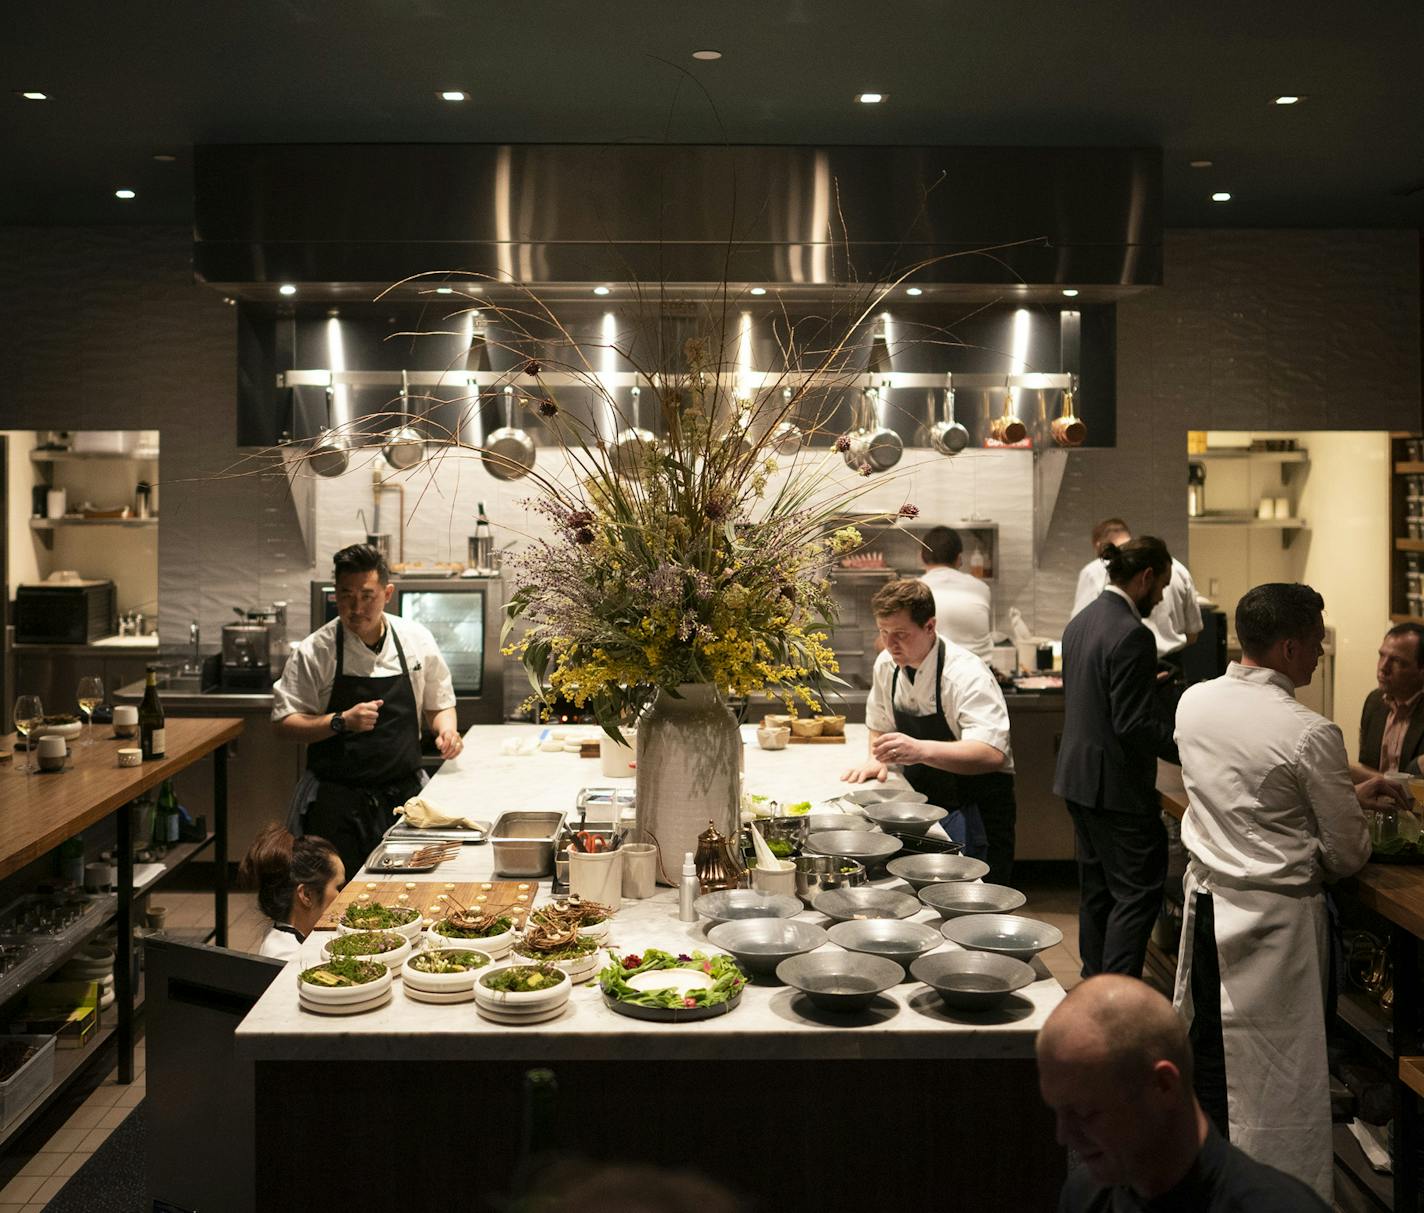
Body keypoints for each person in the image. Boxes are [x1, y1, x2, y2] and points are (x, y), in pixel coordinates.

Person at [1172, 582, 1406, 1202]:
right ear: (1287, 646)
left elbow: (1245, 796)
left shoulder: (1193, 702)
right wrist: (1343, 810)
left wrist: (1339, 797)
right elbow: (1346, 852)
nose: (1321, 653)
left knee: (1213, 1062)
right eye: (1316, 642)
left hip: (1209, 903)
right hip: (1276, 927)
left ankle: (1205, 1181)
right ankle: (1272, 1196)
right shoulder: (1309, 731)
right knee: (1279, 1081)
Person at [1037, 974, 1329, 1212]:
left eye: (1086, 1113)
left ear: (1163, 1086)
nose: (1064, 1136)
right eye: (1058, 1112)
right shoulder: (1083, 1195)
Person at [273, 543, 460, 882]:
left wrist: (446, 730)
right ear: (335, 594)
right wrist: (339, 721)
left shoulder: (416, 639)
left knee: (408, 888)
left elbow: (439, 702)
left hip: (405, 799)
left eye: (367, 596)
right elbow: (285, 723)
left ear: (387, 593)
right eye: (346, 596)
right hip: (335, 802)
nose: (356, 607)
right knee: (334, 897)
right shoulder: (317, 650)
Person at [1054, 536, 1179, 978]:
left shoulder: (1081, 622)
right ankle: (1119, 994)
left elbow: (1101, 699)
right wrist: (1189, 747)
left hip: (1077, 779)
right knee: (1138, 891)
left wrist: (1149, 685)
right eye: (1162, 585)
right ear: (1146, 577)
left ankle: (1093, 982)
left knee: (1097, 891)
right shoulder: (1133, 633)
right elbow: (1132, 724)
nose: (1161, 596)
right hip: (1117, 787)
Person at [841, 578, 1017, 885]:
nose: (890, 644)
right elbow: (880, 723)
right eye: (883, 633)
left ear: (930, 627)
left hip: (977, 808)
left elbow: (991, 753)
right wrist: (877, 757)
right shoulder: (887, 665)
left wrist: (920, 750)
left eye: (901, 635)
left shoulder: (965, 674)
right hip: (925, 809)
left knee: (977, 899)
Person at [1071, 517, 1203, 660]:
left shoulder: (1094, 571)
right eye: (1162, 587)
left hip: (1119, 659)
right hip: (1171, 663)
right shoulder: (1179, 570)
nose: (1161, 597)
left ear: (1098, 546)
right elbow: (1193, 634)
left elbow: (1083, 633)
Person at [238, 823, 344, 961]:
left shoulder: (281, 933)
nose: (343, 898)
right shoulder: (290, 959)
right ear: (307, 895)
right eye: (339, 888)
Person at [1354, 622, 1424, 776]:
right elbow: (1367, 764)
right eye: (1381, 655)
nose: (1383, 667)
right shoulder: (1374, 702)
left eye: (1397, 661)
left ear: (1421, 669)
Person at [917, 525, 993, 662]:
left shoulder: (912, 591)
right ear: (959, 559)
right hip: (980, 676)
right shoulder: (982, 588)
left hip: (935, 678)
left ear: (921, 557)